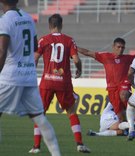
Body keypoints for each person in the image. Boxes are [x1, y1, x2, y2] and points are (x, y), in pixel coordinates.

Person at [0, 0, 61, 155]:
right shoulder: (28, 18)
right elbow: (34, 47)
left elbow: (2, 51)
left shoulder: (5, 20)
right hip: (28, 76)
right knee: (40, 119)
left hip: (10, 76)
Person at [30, 14, 90, 153]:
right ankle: (79, 144)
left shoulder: (43, 40)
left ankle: (36, 146)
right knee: (71, 112)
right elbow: (76, 59)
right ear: (61, 25)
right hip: (63, 82)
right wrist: (79, 70)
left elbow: (34, 58)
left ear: (49, 25)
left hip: (47, 82)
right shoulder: (69, 40)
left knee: (40, 113)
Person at [78, 38, 135, 123]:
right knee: (121, 118)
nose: (120, 49)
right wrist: (74, 47)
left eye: (122, 47)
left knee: (124, 94)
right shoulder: (105, 56)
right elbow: (87, 52)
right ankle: (128, 128)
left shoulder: (127, 58)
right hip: (112, 90)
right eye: (118, 47)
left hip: (124, 86)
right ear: (113, 47)